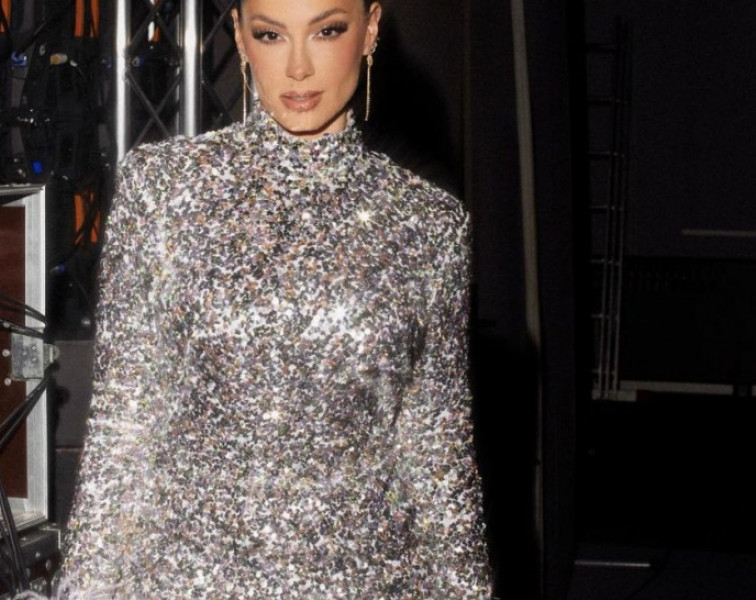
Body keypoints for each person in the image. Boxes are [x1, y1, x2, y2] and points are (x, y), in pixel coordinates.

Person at [55, 0, 492, 597]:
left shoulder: (430, 225)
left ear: (370, 28)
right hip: (185, 579)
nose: (298, 67)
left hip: (370, 581)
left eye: (327, 31)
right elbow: (123, 424)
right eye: (271, 35)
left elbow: (435, 447)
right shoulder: (163, 191)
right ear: (239, 36)